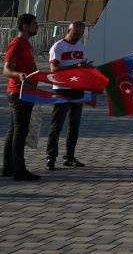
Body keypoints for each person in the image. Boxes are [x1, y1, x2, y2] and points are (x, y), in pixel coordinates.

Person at [46, 20, 92, 170]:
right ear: (68, 30)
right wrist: (75, 66)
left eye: (80, 34)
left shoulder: (80, 45)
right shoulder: (58, 47)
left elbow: (81, 65)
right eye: (75, 34)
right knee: (57, 124)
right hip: (61, 89)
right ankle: (51, 157)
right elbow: (54, 70)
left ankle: (70, 157)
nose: (77, 37)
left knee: (74, 125)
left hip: (77, 88)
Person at [2, 13, 41, 181]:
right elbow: (6, 69)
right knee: (20, 131)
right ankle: (19, 169)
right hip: (19, 92)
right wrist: (19, 75)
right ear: (25, 26)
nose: (36, 27)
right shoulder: (17, 44)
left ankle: (8, 167)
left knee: (14, 131)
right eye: (34, 24)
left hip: (27, 91)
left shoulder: (26, 44)